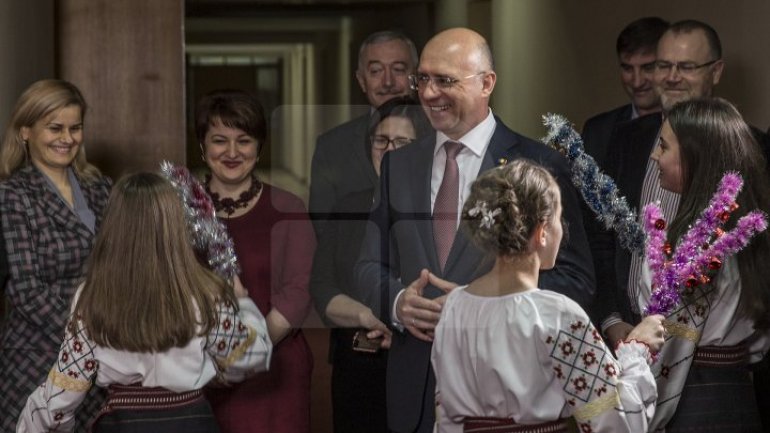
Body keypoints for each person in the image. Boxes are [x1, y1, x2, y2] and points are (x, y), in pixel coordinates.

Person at [354, 28, 595, 433]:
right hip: (413, 389)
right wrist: (397, 303)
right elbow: (366, 266)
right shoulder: (398, 166)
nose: (429, 93)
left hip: (503, 397)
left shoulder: (537, 165)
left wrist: (483, 306)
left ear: (487, 83)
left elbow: (576, 279)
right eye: (423, 79)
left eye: (445, 80)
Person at [16, 172, 273, 432]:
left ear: (114, 225)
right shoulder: (205, 290)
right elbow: (249, 357)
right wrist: (244, 303)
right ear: (175, 224)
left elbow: (64, 391)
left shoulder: (92, 296)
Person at [432, 159, 665, 433]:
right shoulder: (557, 315)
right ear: (542, 231)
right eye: (559, 218)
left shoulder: (455, 306)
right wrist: (638, 349)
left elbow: (445, 416)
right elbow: (614, 420)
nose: (562, 229)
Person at [641, 97, 770, 432]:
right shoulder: (750, 232)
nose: (656, 155)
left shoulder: (694, 247)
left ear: (695, 158)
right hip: (740, 395)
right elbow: (759, 343)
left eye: (664, 146)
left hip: (688, 398)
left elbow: (673, 344)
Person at [196, 89, 316, 433]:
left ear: (259, 147)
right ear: (203, 147)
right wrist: (210, 363)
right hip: (198, 374)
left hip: (274, 372)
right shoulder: (178, 211)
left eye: (244, 140)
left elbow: (299, 291)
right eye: (219, 140)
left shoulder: (289, 208)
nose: (232, 152)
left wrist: (242, 356)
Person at [309, 95, 430, 433]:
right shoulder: (348, 206)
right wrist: (369, 316)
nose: (389, 150)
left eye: (402, 142)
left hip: (422, 363)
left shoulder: (437, 211)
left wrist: (403, 319)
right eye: (381, 140)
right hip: (359, 359)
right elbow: (322, 286)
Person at [0, 79, 112, 431]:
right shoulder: (12, 195)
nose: (67, 138)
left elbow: (120, 265)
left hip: (102, 362)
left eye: (75, 128)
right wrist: (91, 331)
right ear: (26, 132)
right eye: (55, 128)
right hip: (38, 360)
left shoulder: (100, 187)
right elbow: (26, 291)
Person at [309, 30, 418, 238]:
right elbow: (324, 233)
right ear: (361, 80)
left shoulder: (439, 140)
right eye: (376, 71)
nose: (388, 82)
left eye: (398, 69)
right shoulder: (331, 148)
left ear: (416, 77)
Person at [582, 16, 668, 167]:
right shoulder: (597, 131)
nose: (637, 82)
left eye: (648, 67)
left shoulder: (692, 130)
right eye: (627, 68)